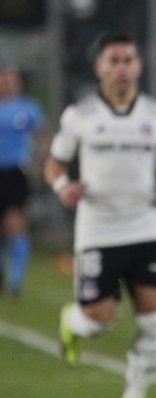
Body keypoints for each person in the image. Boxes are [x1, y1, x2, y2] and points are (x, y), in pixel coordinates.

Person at [44, 33, 156, 398]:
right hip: (98, 229)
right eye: (114, 60)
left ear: (139, 66)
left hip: (145, 226)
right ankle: (73, 322)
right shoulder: (80, 116)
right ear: (99, 68)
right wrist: (64, 187)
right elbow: (54, 164)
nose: (122, 67)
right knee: (98, 320)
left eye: (129, 59)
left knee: (154, 320)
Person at [0, 64, 43, 295]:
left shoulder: (28, 109)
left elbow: (42, 136)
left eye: (10, 78)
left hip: (16, 172)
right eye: (3, 78)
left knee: (16, 225)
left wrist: (39, 162)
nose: (6, 82)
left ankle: (15, 280)